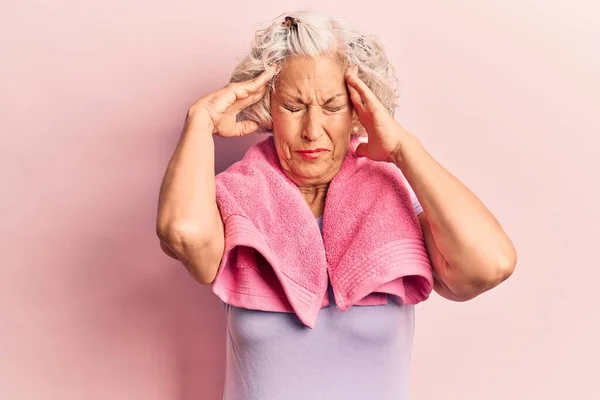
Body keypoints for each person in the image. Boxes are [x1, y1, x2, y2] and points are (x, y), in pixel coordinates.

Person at [156, 10, 517, 400]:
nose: (312, 130)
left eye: (332, 107)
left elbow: (489, 264)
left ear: (358, 112)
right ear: (269, 109)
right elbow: (182, 233)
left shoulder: (393, 198)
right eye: (294, 106)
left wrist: (401, 147)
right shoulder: (235, 199)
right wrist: (200, 121)